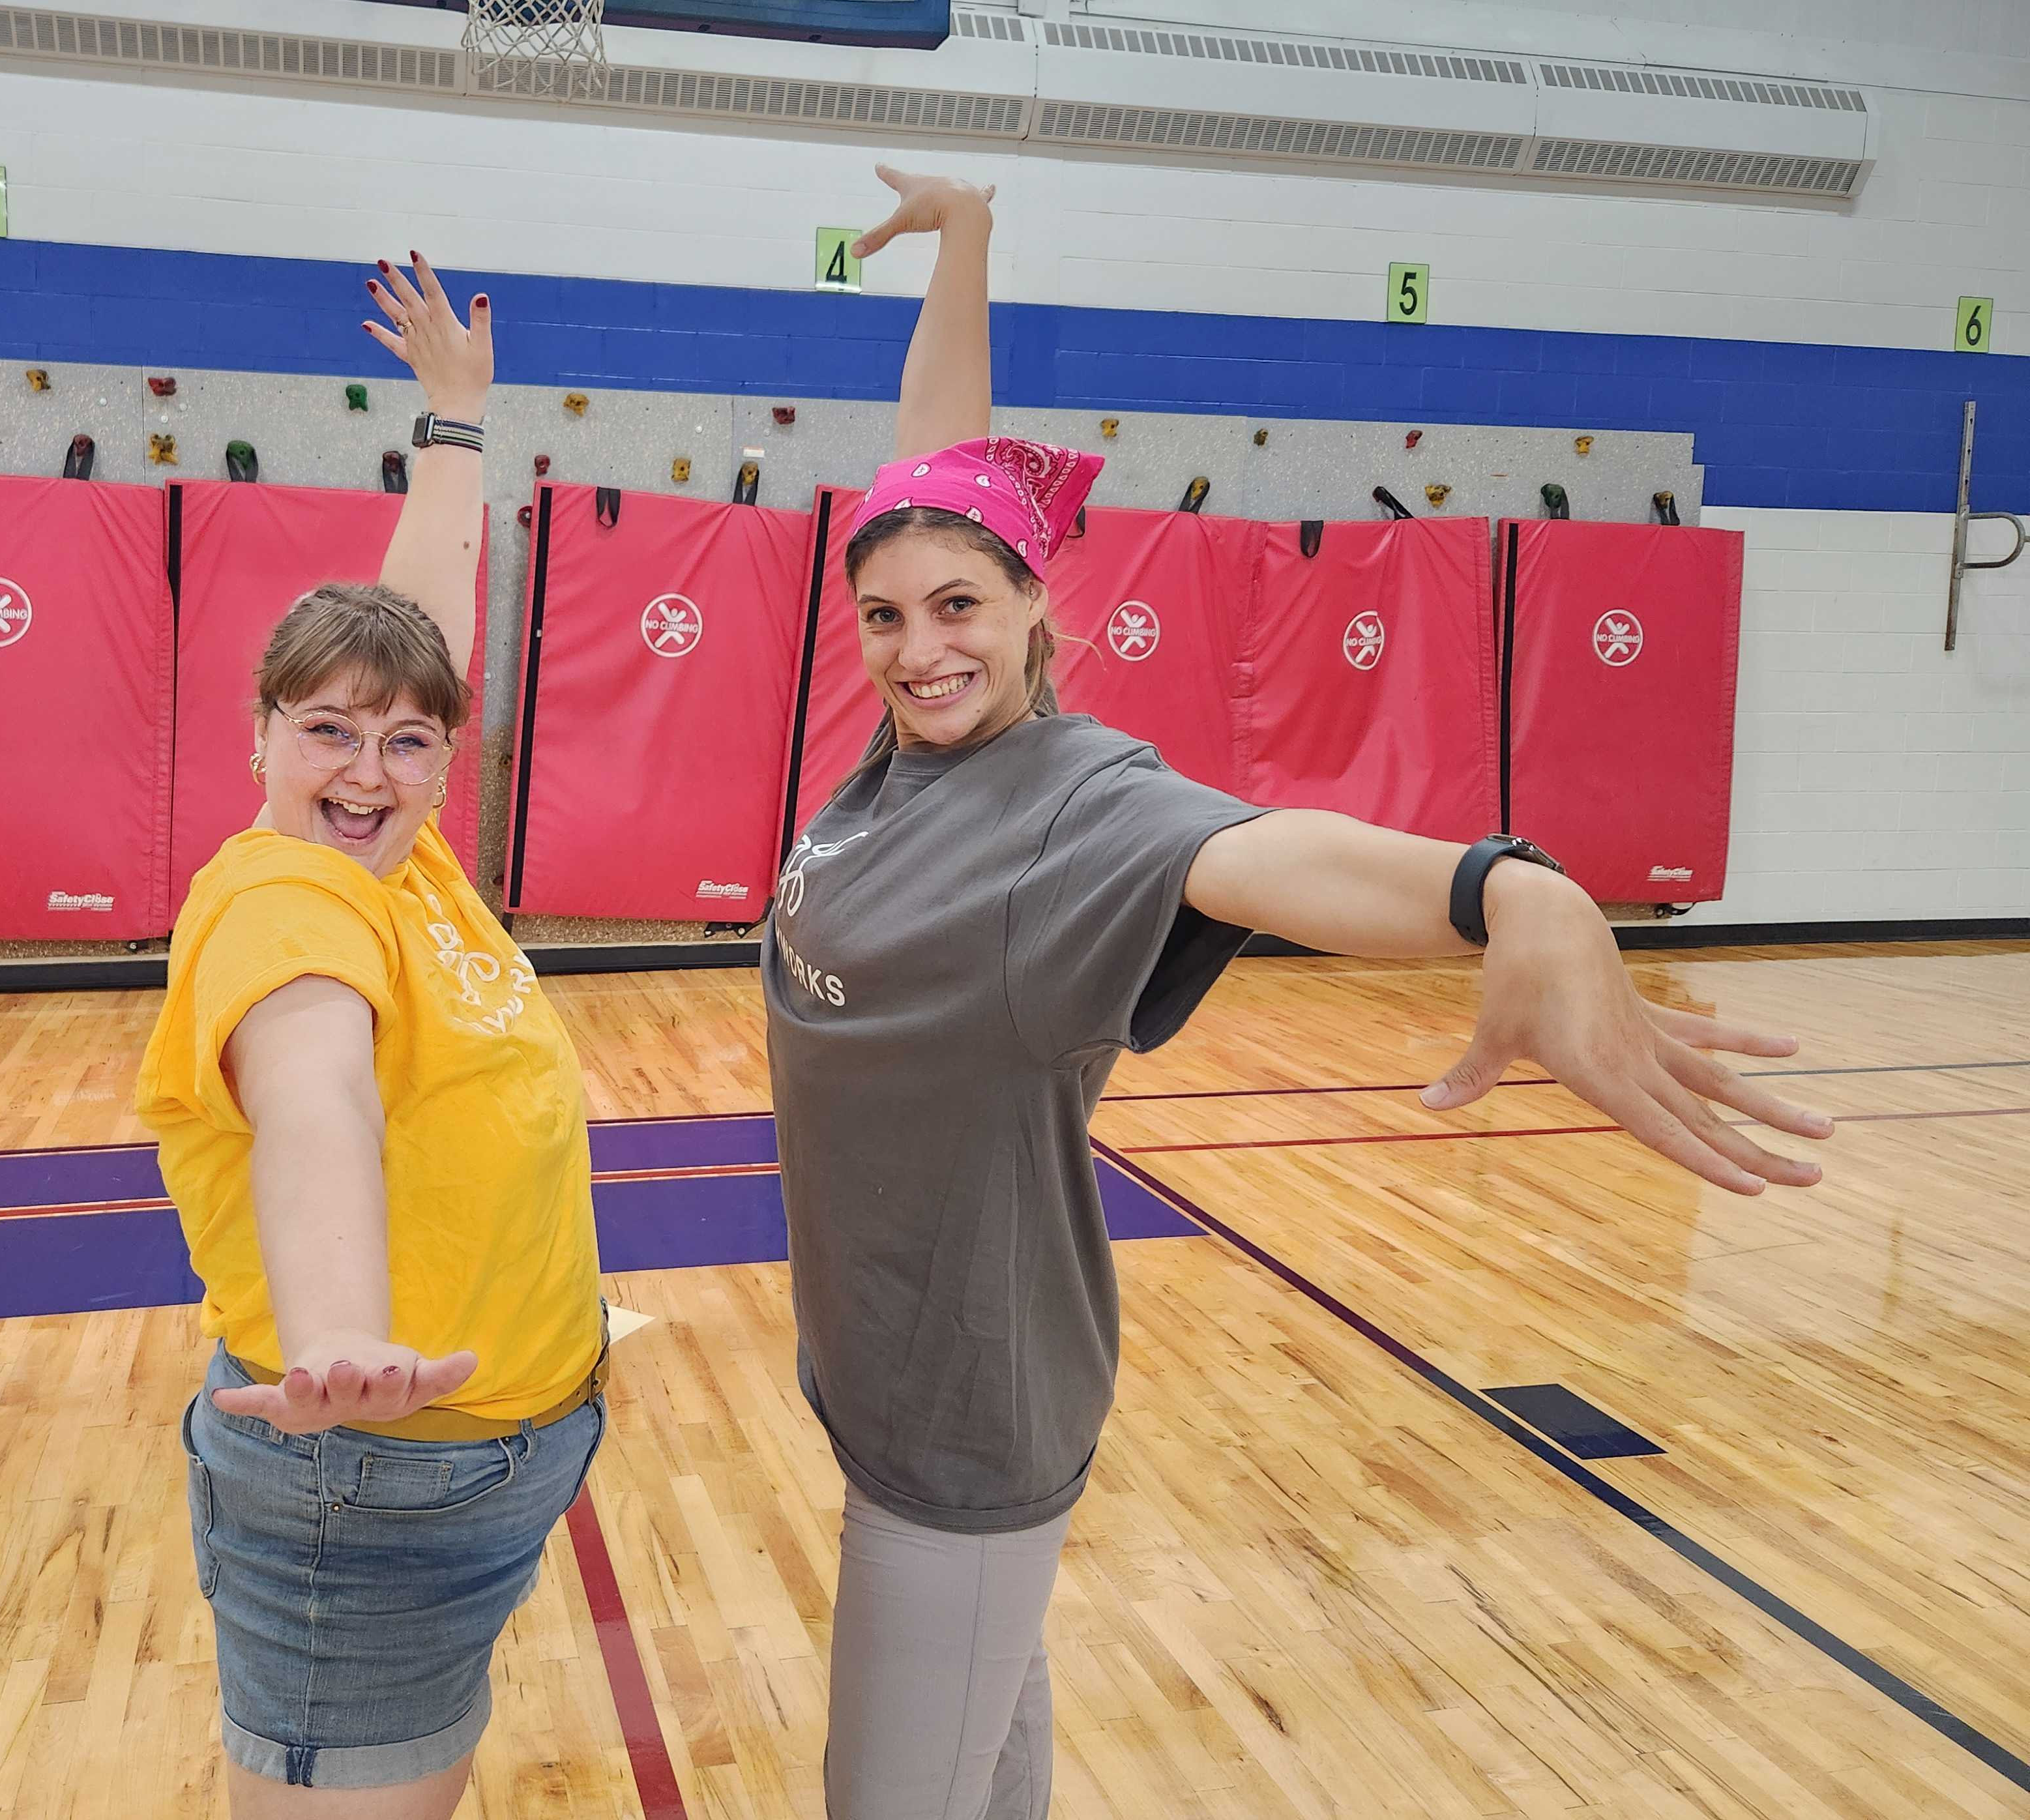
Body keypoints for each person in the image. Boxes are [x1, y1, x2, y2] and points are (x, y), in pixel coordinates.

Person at [763, 165, 1836, 1820]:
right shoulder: (901, 758)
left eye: (960, 609)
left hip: (966, 1424)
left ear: (1042, 605)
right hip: (883, 1377)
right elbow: (934, 461)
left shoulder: (1076, 802)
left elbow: (1283, 858)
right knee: (985, 1766)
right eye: (886, 615)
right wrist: (969, 237)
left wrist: (1508, 889)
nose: (917, 648)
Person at [135, 254, 604, 1819]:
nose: (368, 765)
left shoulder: (412, 861)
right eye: (326, 730)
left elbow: (417, 620)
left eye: (407, 739)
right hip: (369, 1478)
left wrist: (455, 427)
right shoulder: (284, 902)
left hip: (477, 1460)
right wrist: (340, 1331)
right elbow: (314, 1092)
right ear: (256, 733)